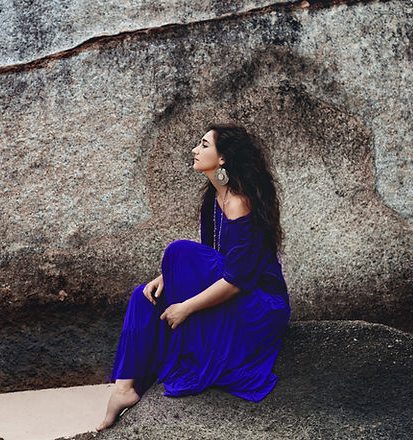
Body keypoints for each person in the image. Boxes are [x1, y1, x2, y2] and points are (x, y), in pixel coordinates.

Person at [96, 123, 291, 431]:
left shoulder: (240, 202)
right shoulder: (214, 199)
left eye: (203, 145)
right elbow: (211, 254)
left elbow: (237, 278)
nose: (194, 150)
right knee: (143, 296)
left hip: (260, 304)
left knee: (177, 251)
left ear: (223, 158)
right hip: (232, 289)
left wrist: (186, 307)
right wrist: (167, 276)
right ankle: (123, 389)